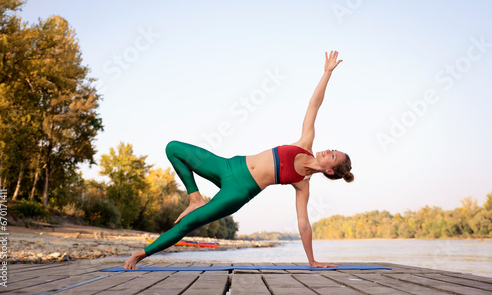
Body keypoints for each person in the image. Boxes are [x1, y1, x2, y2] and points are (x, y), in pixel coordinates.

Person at [124, 50, 353, 269]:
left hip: (238, 192)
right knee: (173, 148)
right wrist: (327, 72)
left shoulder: (302, 184)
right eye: (332, 150)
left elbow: (303, 224)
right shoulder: (305, 144)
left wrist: (312, 261)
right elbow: (314, 104)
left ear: (331, 171)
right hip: (227, 165)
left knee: (189, 224)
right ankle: (195, 198)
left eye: (332, 156)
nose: (327, 151)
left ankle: (141, 254)